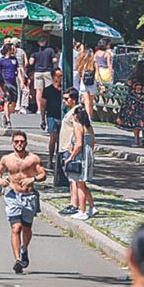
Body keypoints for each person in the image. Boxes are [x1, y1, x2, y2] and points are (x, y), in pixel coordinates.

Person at [0, 130, 46, 274]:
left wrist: (33, 179)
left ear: (26, 143)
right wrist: (0, 180)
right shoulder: (6, 159)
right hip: (12, 196)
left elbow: (42, 174)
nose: (19, 144)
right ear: (12, 143)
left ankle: (24, 249)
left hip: (29, 197)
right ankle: (18, 260)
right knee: (16, 228)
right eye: (16, 141)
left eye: (22, 141)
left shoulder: (33, 159)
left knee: (26, 228)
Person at [62, 89, 96, 220]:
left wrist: (71, 157)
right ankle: (92, 207)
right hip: (88, 156)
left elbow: (79, 144)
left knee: (79, 184)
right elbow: (92, 142)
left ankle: (82, 210)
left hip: (80, 157)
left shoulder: (78, 126)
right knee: (83, 183)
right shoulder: (89, 127)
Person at [116, 59, 144, 147]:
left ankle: (136, 141)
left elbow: (128, 85)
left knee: (136, 121)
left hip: (134, 102)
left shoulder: (133, 78)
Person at [31, 35, 58, 127]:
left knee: (39, 91)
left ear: (38, 42)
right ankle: (47, 107)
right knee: (48, 90)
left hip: (38, 72)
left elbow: (31, 62)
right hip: (47, 71)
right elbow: (54, 60)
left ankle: (39, 109)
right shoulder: (50, 50)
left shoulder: (35, 51)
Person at [0, 43, 20, 130]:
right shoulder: (1, 61)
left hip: (13, 82)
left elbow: (18, 70)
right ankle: (8, 120)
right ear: (8, 50)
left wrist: (21, 82)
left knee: (13, 104)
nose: (14, 50)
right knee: (7, 101)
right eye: (12, 48)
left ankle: (6, 115)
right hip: (5, 83)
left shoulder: (14, 60)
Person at [43, 69, 65, 159]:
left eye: (61, 76)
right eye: (58, 76)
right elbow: (43, 105)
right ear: (53, 77)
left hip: (62, 116)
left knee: (61, 139)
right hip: (51, 116)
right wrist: (42, 119)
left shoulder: (64, 90)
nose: (60, 78)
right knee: (53, 137)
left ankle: (59, 158)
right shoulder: (48, 90)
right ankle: (50, 159)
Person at [74, 40, 97, 119]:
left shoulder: (82, 63)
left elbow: (79, 72)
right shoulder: (94, 63)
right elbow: (97, 74)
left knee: (86, 101)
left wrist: (80, 79)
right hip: (92, 83)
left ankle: (88, 117)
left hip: (84, 83)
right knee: (90, 102)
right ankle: (89, 116)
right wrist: (101, 84)